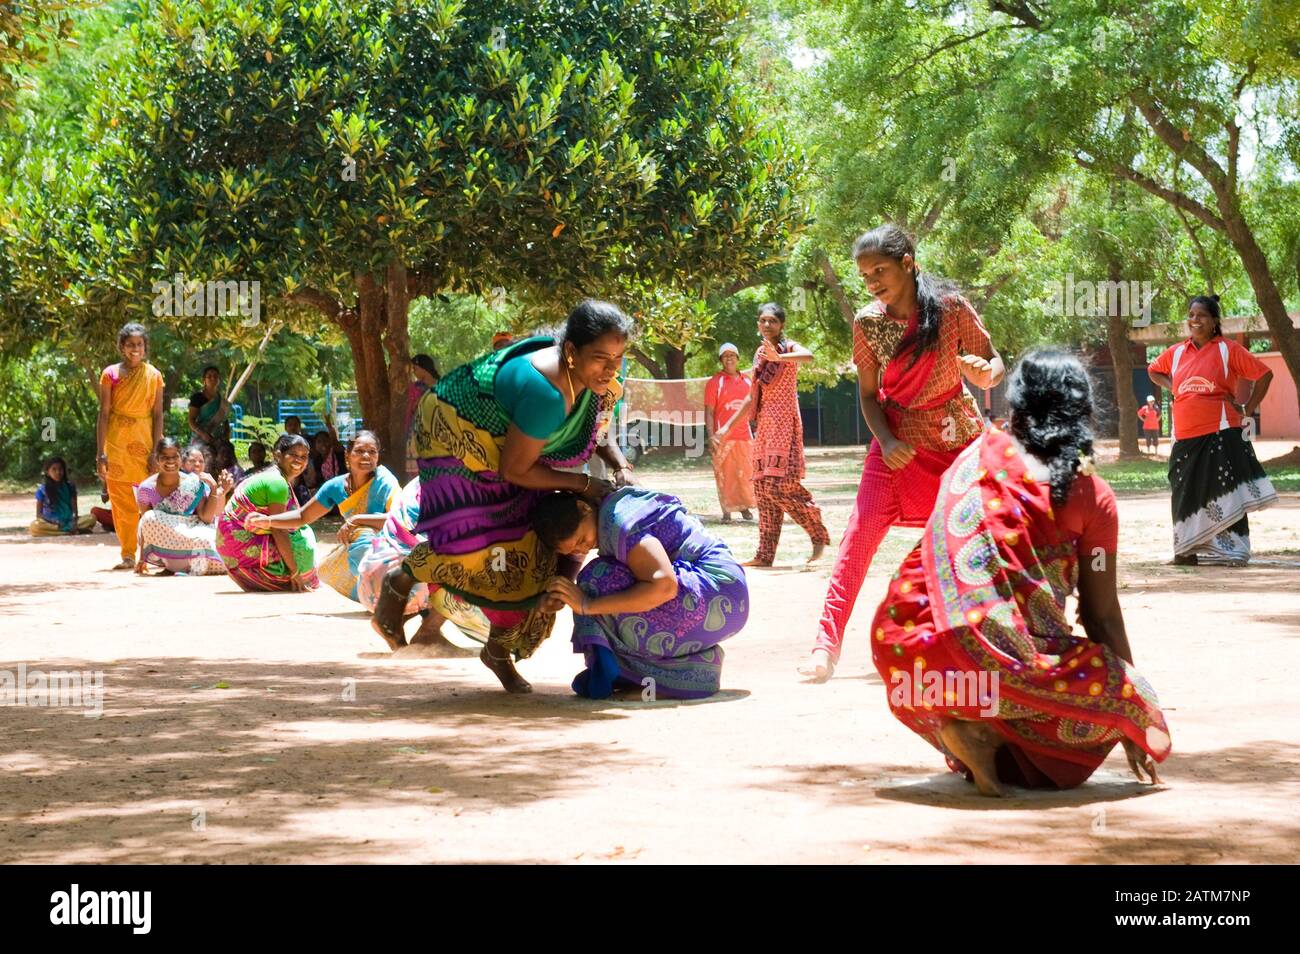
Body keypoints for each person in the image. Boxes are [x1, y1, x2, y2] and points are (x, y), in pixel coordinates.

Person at [870, 350, 1171, 796]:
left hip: (907, 660)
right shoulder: (1091, 494)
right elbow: (1101, 615)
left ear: (1016, 405)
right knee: (1123, 692)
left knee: (1000, 671)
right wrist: (1133, 712)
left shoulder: (974, 459)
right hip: (997, 670)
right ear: (1082, 411)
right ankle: (989, 733)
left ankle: (976, 728)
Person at [371, 299, 635, 693]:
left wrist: (620, 465)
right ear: (570, 351)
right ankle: (401, 580)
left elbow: (592, 428)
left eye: (618, 358)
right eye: (601, 358)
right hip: (462, 439)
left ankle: (498, 650)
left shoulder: (591, 379)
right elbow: (516, 470)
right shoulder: (546, 393)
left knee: (560, 540)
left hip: (518, 451)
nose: (611, 369)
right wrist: (582, 484)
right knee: (491, 551)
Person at [807, 225, 1004, 682]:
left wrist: (987, 375)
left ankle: (985, 636)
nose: (873, 280)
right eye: (865, 274)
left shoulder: (952, 309)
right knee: (859, 536)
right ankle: (825, 644)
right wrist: (889, 442)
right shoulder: (867, 322)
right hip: (895, 442)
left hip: (956, 440)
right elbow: (869, 397)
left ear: (908, 263)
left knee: (974, 538)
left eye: (881, 269)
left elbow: (992, 361)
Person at [536, 487, 749, 700]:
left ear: (583, 508)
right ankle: (671, 672)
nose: (583, 550)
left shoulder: (620, 525)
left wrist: (587, 604)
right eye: (574, 550)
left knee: (596, 579)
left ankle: (660, 678)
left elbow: (664, 586)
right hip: (728, 597)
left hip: (717, 591)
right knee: (595, 581)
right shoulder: (613, 509)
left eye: (582, 540)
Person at [1147, 295, 1277, 566]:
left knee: (1224, 489)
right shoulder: (1177, 352)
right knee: (1183, 490)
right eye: (1191, 315)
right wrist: (1174, 388)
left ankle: (1234, 551)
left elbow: (1264, 375)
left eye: (1202, 315)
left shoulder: (1228, 349)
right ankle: (1185, 551)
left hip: (1220, 431)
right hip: (1183, 435)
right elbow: (1153, 370)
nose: (1195, 320)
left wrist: (1248, 407)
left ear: (1215, 321)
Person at [714, 302, 829, 568]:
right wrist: (726, 427)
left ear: (782, 324)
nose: (767, 325)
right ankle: (765, 555)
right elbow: (753, 396)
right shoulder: (758, 354)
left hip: (785, 425)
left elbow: (809, 356)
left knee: (778, 486)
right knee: (763, 491)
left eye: (772, 321)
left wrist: (780, 359)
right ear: (758, 324)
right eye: (763, 321)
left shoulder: (788, 348)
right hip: (764, 427)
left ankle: (816, 530)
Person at [246, 431, 400, 603]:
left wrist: (356, 520)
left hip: (393, 545)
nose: (366, 456)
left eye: (372, 451)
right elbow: (303, 516)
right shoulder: (336, 486)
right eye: (359, 451)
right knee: (333, 562)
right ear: (347, 455)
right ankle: (377, 598)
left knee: (362, 534)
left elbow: (399, 520)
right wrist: (268, 520)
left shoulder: (385, 480)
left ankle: (388, 597)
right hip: (360, 547)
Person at [355, 476, 491, 653]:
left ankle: (392, 620)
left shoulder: (422, 482)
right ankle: (427, 632)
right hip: (398, 582)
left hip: (373, 582)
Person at [96, 322, 164, 569]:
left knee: (146, 497)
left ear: (145, 347)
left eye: (139, 344)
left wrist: (157, 450)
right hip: (116, 442)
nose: (135, 349)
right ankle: (127, 554)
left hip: (144, 440)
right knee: (120, 500)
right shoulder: (110, 374)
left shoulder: (154, 375)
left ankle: (149, 552)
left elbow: (158, 415)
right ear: (122, 348)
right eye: (130, 345)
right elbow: (103, 413)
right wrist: (100, 453)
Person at [215, 433, 320, 591]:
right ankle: (286, 577)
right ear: (278, 455)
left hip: (231, 546)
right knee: (303, 538)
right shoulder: (277, 482)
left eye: (304, 456)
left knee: (300, 531)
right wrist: (295, 572)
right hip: (241, 542)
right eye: (293, 455)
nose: (299, 460)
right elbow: (279, 529)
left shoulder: (271, 475)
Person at [135, 437, 231, 575]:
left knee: (205, 540)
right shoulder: (146, 489)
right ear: (156, 459)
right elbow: (146, 524)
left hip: (193, 537)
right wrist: (142, 559)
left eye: (175, 456)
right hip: (166, 544)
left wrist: (214, 490)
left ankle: (187, 566)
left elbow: (206, 518)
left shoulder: (192, 484)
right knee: (150, 518)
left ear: (180, 459)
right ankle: (182, 565)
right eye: (165, 457)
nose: (170, 461)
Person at [705, 342, 756, 522]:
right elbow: (709, 412)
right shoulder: (715, 382)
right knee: (725, 475)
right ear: (721, 360)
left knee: (745, 474)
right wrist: (711, 435)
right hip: (722, 437)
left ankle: (744, 508)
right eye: (725, 356)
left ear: (738, 358)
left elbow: (754, 408)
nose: (729, 358)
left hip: (744, 436)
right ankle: (727, 510)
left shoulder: (748, 381)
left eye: (732, 355)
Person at [29, 456, 96, 535]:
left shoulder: (70, 487)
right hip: (52, 523)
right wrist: (52, 521)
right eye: (54, 469)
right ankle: (69, 531)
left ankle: (65, 530)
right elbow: (39, 514)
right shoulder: (42, 490)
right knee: (35, 527)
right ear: (47, 472)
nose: (58, 472)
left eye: (60, 469)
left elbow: (74, 510)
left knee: (92, 518)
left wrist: (74, 520)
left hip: (69, 520)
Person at [405, 354, 440, 479]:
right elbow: (412, 409)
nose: (414, 372)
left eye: (416, 368)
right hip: (416, 435)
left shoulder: (441, 386)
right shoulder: (415, 388)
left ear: (424, 367)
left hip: (438, 435)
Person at [188, 365, 231, 446]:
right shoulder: (197, 398)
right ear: (204, 380)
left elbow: (225, 421)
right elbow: (191, 420)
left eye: (215, 376)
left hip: (218, 440)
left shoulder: (222, 400)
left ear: (219, 380)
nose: (213, 378)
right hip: (200, 439)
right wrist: (203, 434)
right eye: (209, 376)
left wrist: (227, 438)